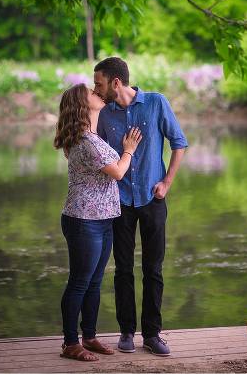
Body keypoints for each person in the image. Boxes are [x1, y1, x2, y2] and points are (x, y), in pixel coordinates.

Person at [93, 57, 187, 356]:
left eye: (99, 83)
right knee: (122, 269)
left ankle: (152, 334)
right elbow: (100, 156)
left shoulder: (156, 103)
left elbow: (179, 143)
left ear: (115, 82)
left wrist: (167, 183)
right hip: (118, 202)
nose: (96, 89)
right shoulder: (104, 115)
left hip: (152, 199)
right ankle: (126, 332)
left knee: (153, 269)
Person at [53, 83, 142, 361]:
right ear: (83, 104)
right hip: (83, 221)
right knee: (79, 282)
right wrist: (128, 149)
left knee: (93, 282)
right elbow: (116, 172)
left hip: (102, 219)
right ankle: (70, 343)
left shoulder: (91, 136)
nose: (97, 92)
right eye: (91, 92)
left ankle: (88, 337)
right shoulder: (86, 141)